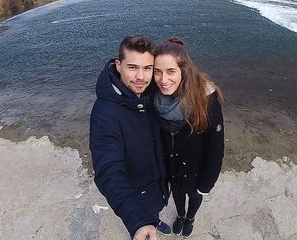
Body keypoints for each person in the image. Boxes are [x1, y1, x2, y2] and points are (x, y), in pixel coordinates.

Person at [89, 35, 171, 240]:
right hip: (136, 195)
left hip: (159, 185)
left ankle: (155, 218)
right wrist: (137, 222)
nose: (141, 77)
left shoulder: (154, 93)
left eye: (147, 68)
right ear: (119, 65)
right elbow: (108, 171)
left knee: (155, 211)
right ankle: (148, 221)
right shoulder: (105, 113)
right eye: (133, 67)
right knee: (146, 219)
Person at [153, 37, 224, 238]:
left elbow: (215, 147)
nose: (163, 80)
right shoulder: (155, 98)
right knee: (177, 195)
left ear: (184, 71)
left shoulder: (206, 99)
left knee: (194, 196)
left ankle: (190, 218)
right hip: (172, 166)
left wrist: (207, 183)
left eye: (171, 71)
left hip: (196, 169)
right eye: (157, 72)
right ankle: (181, 215)